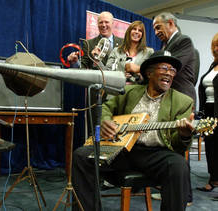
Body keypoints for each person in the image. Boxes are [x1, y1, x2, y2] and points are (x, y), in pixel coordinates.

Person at [72, 50, 195, 211]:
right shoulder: (130, 91)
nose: (169, 74)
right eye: (164, 68)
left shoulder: (183, 101)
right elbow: (106, 108)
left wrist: (184, 135)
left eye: (172, 70)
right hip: (123, 150)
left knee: (179, 165)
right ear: (149, 73)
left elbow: (178, 145)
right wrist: (105, 121)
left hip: (157, 154)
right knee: (81, 156)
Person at [153, 12, 197, 104]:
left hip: (182, 97)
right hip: (169, 97)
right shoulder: (166, 45)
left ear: (170, 23)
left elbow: (173, 67)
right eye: (154, 30)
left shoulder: (184, 41)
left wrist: (138, 68)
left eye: (158, 27)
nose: (156, 33)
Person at [196, 32, 218, 192]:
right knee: (210, 146)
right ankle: (214, 179)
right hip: (209, 111)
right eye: (215, 45)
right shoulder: (213, 65)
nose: (216, 48)